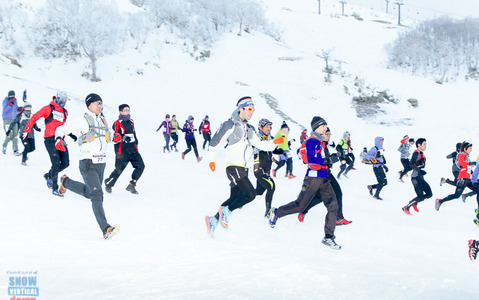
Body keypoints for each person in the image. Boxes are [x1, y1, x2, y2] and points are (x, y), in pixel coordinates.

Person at [204, 97, 283, 238]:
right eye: (249, 109)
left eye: (253, 110)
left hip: (243, 169)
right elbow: (215, 142)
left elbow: (261, 144)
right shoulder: (231, 124)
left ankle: (213, 220)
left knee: (234, 198)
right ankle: (226, 212)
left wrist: (274, 142)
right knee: (251, 194)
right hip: (233, 166)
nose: (252, 112)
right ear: (241, 108)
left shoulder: (249, 128)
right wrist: (212, 160)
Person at [268, 116, 341, 250]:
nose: (325, 128)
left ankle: (328, 237)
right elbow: (312, 160)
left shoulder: (321, 142)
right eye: (323, 126)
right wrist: (326, 160)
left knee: (333, 205)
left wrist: (331, 159)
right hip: (312, 179)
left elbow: (322, 159)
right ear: (316, 127)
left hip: (324, 179)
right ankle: (276, 212)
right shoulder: (312, 141)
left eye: (325, 126)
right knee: (300, 206)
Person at [55, 93, 119, 240]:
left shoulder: (103, 120)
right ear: (89, 104)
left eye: (101, 103)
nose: (100, 106)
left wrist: (115, 137)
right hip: (87, 162)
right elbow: (61, 129)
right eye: (97, 103)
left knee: (91, 193)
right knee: (97, 195)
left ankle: (66, 182)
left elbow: (109, 135)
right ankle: (106, 228)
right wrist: (59, 139)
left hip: (101, 163)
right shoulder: (82, 120)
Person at [298, 127, 352, 225]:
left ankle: (303, 210)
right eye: (327, 134)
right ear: (321, 134)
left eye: (329, 134)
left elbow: (327, 160)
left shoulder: (324, 145)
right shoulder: (317, 144)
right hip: (321, 174)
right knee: (337, 193)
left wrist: (336, 157)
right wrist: (333, 158)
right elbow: (319, 160)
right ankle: (338, 218)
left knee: (321, 196)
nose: (329, 136)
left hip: (326, 173)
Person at [22, 91, 72, 196]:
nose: (63, 102)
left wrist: (71, 134)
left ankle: (49, 175)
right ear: (56, 98)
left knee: (66, 163)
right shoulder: (49, 108)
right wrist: (27, 130)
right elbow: (34, 117)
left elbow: (64, 126)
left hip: (60, 140)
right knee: (56, 163)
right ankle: (55, 187)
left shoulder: (65, 112)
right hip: (50, 139)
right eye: (61, 99)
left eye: (65, 100)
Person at [104, 104, 145, 195]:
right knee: (119, 170)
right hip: (122, 151)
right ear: (121, 112)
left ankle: (132, 184)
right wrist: (123, 137)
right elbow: (114, 136)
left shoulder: (131, 121)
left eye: (128, 110)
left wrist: (136, 142)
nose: (127, 112)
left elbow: (133, 133)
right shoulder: (117, 123)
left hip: (133, 149)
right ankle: (108, 183)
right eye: (125, 110)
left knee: (141, 166)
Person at [253, 118, 284, 218]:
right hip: (259, 169)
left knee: (259, 191)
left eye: (270, 127)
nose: (269, 129)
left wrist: (280, 151)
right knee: (271, 187)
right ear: (260, 127)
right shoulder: (256, 138)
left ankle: (240, 198)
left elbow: (272, 149)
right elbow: (262, 147)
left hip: (267, 169)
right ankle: (268, 211)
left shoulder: (271, 137)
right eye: (266, 126)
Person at [435, 142, 477, 211]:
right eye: (470, 149)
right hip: (463, 179)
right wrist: (470, 163)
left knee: (477, 189)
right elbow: (461, 163)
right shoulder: (461, 154)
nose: (471, 150)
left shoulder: (466, 156)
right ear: (465, 148)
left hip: (468, 179)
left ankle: (466, 195)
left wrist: (473, 173)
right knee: (456, 195)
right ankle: (440, 201)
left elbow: (467, 168)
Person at [402, 138, 432, 214]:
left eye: (426, 144)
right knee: (420, 196)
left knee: (429, 194)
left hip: (421, 177)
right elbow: (411, 164)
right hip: (415, 178)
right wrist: (419, 170)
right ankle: (406, 207)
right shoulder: (416, 153)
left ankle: (415, 202)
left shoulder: (421, 152)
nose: (425, 146)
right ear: (419, 145)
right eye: (424, 144)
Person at [2, 90, 22, 155]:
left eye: (13, 95)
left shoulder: (15, 101)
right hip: (7, 120)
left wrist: (19, 109)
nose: (12, 96)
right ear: (8, 96)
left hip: (14, 120)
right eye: (10, 95)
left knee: (15, 135)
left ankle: (15, 150)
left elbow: (15, 109)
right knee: (9, 134)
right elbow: (5, 110)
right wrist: (10, 104)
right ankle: (4, 146)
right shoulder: (5, 101)